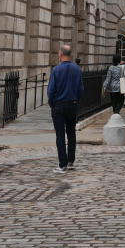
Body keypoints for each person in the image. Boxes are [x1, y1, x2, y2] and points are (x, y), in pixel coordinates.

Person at [47, 44, 84, 173]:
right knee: (71, 133)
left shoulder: (56, 70)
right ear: (70, 54)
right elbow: (80, 89)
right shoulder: (77, 69)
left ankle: (62, 164)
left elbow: (51, 90)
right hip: (72, 104)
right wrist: (76, 101)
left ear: (60, 54)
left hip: (59, 105)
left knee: (60, 135)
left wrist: (51, 103)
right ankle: (70, 161)